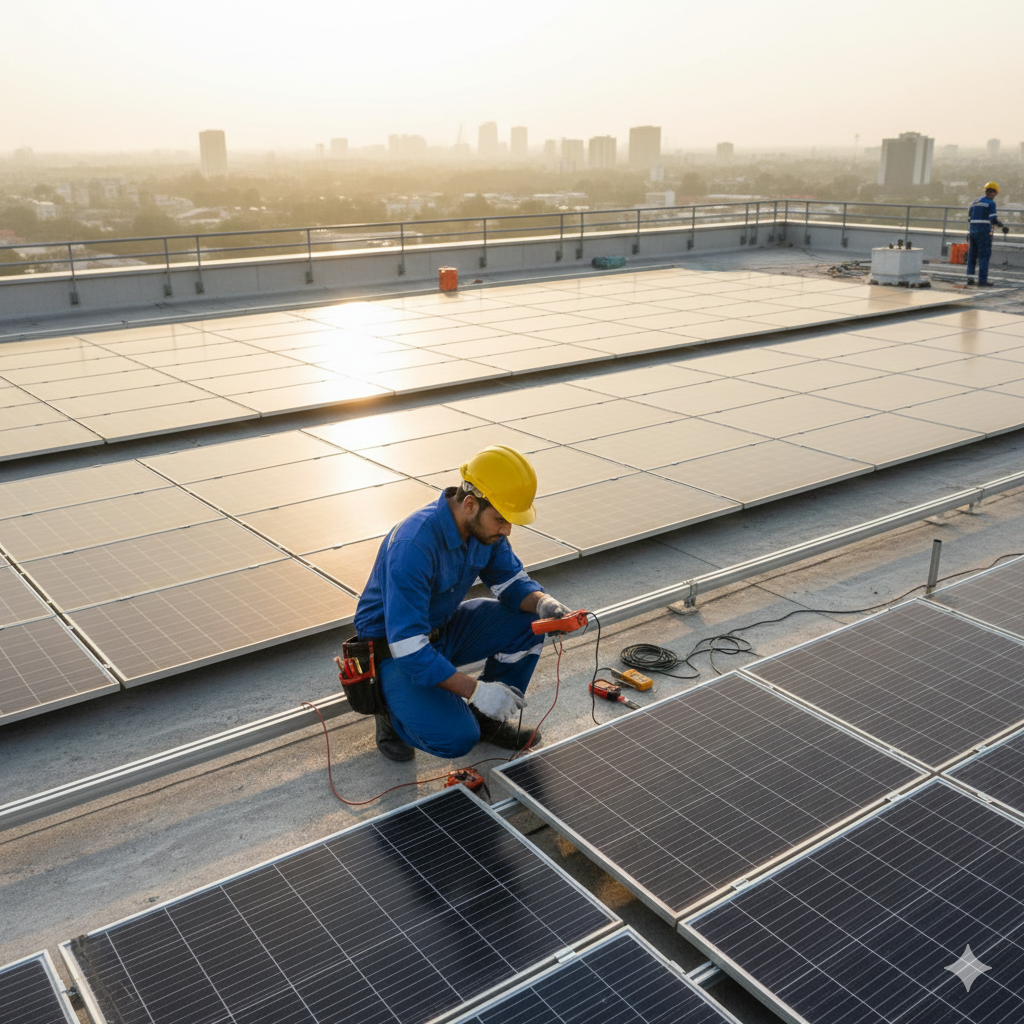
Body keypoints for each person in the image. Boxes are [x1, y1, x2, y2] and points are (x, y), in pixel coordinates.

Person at [353, 445, 579, 762]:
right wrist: (475, 690)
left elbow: (512, 582)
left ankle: (487, 719)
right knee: (458, 739)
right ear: (470, 504)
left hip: (443, 629)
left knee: (530, 623)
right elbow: (408, 647)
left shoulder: (485, 532)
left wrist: (543, 604)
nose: (507, 529)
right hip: (393, 650)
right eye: (501, 519)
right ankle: (392, 713)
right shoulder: (414, 545)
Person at [966, 182, 1009, 287]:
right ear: (995, 192)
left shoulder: (975, 202)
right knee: (984, 257)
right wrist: (1001, 226)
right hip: (984, 233)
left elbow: (969, 219)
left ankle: (970, 279)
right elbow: (993, 219)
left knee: (972, 256)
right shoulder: (990, 203)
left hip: (972, 232)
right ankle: (982, 281)